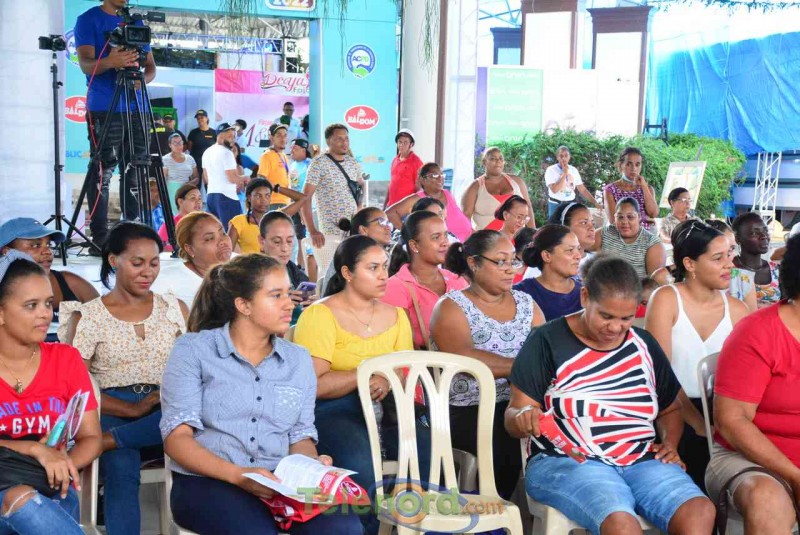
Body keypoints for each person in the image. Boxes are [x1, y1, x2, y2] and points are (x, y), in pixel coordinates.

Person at [506, 255, 715, 535]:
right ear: (584, 297)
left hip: (639, 458)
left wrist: (670, 444)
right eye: (606, 316)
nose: (616, 328)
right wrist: (522, 417)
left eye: (626, 318)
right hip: (567, 459)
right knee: (620, 522)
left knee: (698, 511)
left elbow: (670, 408)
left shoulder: (643, 344)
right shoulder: (546, 340)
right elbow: (513, 415)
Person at [160, 254, 363, 535]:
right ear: (243, 305)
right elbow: (176, 439)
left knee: (344, 527)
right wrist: (239, 475)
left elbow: (300, 436)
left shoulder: (298, 360)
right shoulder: (194, 350)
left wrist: (310, 467)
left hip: (279, 481)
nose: (289, 303)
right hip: (209, 480)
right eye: (276, 295)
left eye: (287, 293)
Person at [293, 235, 431, 534]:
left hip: (388, 407)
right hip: (334, 408)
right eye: (373, 268)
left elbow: (403, 370)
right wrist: (366, 374)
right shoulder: (320, 314)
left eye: (385, 267)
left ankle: (410, 528)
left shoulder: (396, 315)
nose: (383, 275)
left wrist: (386, 379)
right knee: (363, 467)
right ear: (347, 272)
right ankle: (367, 528)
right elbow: (313, 385)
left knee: (427, 452)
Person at [59, 222, 189, 535]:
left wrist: (163, 401)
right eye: (137, 263)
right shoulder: (88, 316)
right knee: (121, 466)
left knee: (184, 418)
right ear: (113, 260)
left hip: (165, 407)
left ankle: (108, 441)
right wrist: (130, 408)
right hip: (110, 407)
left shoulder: (174, 308)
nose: (148, 272)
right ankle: (114, 440)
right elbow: (76, 387)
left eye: (154, 263)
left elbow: (193, 368)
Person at [430, 230, 545, 498]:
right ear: (474, 263)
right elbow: (464, 357)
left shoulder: (526, 303)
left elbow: (544, 351)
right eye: (500, 261)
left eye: (513, 261)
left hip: (522, 399)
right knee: (506, 434)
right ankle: (493, 508)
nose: (510, 269)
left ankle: (538, 508)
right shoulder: (451, 306)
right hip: (470, 407)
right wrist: (522, 368)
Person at [0, 251, 102, 535]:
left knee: (37, 502)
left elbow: (91, 438)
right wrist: (37, 450)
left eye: (48, 303)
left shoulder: (65, 359)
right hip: (6, 487)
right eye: (31, 305)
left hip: (52, 487)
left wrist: (61, 465)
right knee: (19, 498)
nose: (45, 314)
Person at [707, 233, 800, 533]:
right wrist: (795, 476)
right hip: (752, 457)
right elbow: (731, 421)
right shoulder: (758, 332)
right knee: (767, 500)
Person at [646, 221, 748, 490]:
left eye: (729, 255)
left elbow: (745, 380)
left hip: (722, 410)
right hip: (670, 408)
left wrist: (722, 422)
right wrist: (698, 423)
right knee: (689, 456)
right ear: (690, 264)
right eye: (718, 258)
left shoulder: (737, 310)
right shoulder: (666, 299)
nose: (729, 264)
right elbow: (661, 375)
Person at [74, 0, 157, 247]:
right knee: (103, 171)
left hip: (137, 107)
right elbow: (85, 64)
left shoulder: (136, 21)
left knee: (136, 171)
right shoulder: (88, 19)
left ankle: (133, 234)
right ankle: (100, 237)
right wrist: (112, 61)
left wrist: (142, 79)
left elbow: (151, 67)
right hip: (104, 106)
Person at [0, 218, 99, 342]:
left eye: (48, 245)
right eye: (36, 245)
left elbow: (107, 324)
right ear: (7, 252)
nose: (47, 251)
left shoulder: (71, 283)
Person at [383, 211, 468, 349]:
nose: (445, 242)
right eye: (436, 237)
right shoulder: (395, 287)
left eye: (446, 235)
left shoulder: (457, 281)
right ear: (414, 246)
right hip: (420, 361)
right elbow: (400, 344)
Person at [302, 124, 365, 248]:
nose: (344, 142)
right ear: (328, 141)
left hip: (353, 229)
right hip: (330, 233)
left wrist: (359, 206)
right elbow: (305, 198)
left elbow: (361, 185)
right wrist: (312, 230)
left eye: (346, 138)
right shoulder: (318, 163)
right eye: (339, 139)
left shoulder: (353, 163)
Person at [151, 211, 233, 306]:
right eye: (210, 238)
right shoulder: (167, 282)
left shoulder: (240, 266)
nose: (222, 241)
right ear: (190, 249)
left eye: (223, 233)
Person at [385, 162, 472, 242]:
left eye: (442, 175)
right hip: (448, 247)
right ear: (423, 180)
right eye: (435, 175)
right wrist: (408, 234)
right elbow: (390, 213)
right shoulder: (417, 198)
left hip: (468, 239)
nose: (440, 179)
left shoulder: (446, 193)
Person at [258, 212, 318, 325]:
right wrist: (282, 304)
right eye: (277, 242)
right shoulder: (252, 275)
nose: (285, 248)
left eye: (289, 241)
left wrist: (313, 303)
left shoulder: (292, 270)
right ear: (261, 241)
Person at [514, 225, 583, 321]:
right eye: (570, 250)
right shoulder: (520, 294)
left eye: (578, 249)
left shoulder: (586, 291)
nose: (578, 256)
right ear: (547, 256)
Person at [319, 208, 394, 297]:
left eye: (388, 223)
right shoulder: (347, 256)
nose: (388, 227)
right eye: (381, 222)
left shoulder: (386, 256)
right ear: (363, 230)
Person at [461, 147, 534, 231]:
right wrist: (473, 236)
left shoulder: (517, 181)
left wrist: (532, 232)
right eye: (493, 158)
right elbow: (465, 216)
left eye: (500, 158)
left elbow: (528, 207)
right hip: (487, 237)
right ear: (484, 162)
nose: (498, 161)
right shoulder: (475, 187)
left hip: (517, 237)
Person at [228, 179, 306, 255]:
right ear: (249, 198)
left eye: (267, 196)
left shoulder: (275, 217)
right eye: (258, 196)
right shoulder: (239, 222)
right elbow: (227, 253)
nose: (263, 200)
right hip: (250, 264)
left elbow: (303, 198)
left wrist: (276, 188)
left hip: (275, 263)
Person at [594, 197, 665, 278]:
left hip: (635, 286)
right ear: (615, 217)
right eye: (620, 217)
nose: (624, 222)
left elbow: (655, 281)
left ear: (639, 216)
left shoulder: (652, 244)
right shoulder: (606, 232)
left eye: (630, 217)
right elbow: (583, 244)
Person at [203, 123, 250, 229]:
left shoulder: (207, 152)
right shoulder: (227, 153)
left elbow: (206, 177)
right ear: (220, 135)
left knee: (215, 231)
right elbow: (232, 178)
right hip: (227, 197)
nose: (233, 139)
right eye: (230, 136)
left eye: (234, 136)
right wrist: (245, 178)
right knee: (233, 231)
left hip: (211, 196)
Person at [705, 218, 758, 311]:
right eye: (719, 254)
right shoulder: (685, 288)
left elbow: (752, 318)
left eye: (732, 249)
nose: (730, 262)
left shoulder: (744, 279)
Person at [603, 147, 659, 232]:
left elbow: (653, 214)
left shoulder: (647, 188)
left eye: (637, 164)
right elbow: (614, 221)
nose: (633, 168)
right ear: (621, 165)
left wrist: (644, 187)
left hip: (646, 234)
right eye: (629, 164)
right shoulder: (610, 190)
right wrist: (644, 217)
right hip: (621, 235)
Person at [732, 212, 781, 308]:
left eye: (765, 230)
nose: (764, 236)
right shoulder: (729, 269)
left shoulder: (777, 270)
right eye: (755, 233)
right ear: (738, 239)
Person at [544, 146, 601, 216]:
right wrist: (565, 173)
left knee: (570, 223)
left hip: (570, 204)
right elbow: (554, 190)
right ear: (557, 157)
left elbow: (582, 189)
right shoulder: (551, 170)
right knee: (554, 223)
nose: (563, 158)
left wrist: (595, 202)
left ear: (569, 157)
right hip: (555, 204)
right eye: (561, 156)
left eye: (566, 155)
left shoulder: (574, 170)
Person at [548, 201, 597, 273]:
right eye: (584, 223)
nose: (592, 228)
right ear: (565, 227)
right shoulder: (548, 264)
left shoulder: (598, 262)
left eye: (593, 223)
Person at [156, 183, 203, 249]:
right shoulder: (170, 226)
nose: (198, 202)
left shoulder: (204, 222)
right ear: (180, 202)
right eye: (193, 198)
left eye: (200, 198)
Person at [258, 124, 293, 210]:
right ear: (271, 138)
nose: (283, 139)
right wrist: (277, 188)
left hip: (286, 201)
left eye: (285, 135)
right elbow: (261, 178)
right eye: (279, 135)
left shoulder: (284, 155)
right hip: (273, 202)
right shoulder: (267, 155)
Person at [385, 129, 424, 207]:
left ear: (411, 144)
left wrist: (416, 207)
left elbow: (419, 188)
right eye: (400, 142)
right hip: (391, 206)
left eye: (405, 142)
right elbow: (391, 184)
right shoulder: (395, 160)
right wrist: (385, 205)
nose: (401, 145)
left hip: (407, 208)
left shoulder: (417, 162)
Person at [162, 133, 199, 214]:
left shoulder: (190, 158)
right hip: (172, 190)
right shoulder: (165, 159)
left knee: (188, 214)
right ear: (170, 145)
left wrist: (189, 184)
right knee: (175, 214)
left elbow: (196, 177)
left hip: (187, 190)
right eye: (175, 143)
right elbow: (162, 179)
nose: (178, 145)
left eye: (180, 143)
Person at [187, 109, 217, 178]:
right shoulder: (193, 132)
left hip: (210, 163)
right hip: (196, 163)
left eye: (202, 117)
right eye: (198, 118)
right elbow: (189, 147)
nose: (200, 120)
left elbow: (216, 148)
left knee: (209, 182)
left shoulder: (214, 132)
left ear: (207, 118)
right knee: (196, 182)